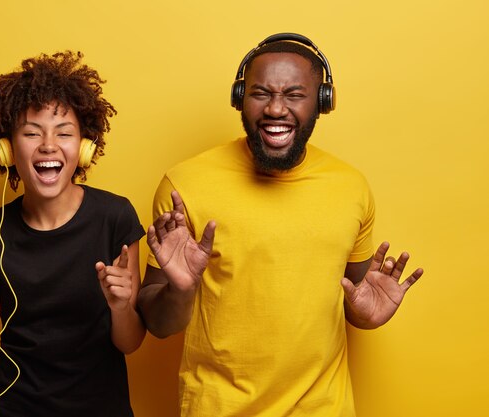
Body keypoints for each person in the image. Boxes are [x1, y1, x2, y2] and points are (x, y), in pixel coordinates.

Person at [137, 33, 424, 417]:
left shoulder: (351, 188)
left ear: (322, 102)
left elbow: (355, 297)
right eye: (260, 93)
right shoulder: (185, 185)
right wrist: (181, 289)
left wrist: (366, 315)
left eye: (294, 94)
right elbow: (157, 324)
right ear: (240, 98)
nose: (276, 109)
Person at [0, 51, 146, 417]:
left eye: (64, 133)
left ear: (85, 148)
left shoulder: (115, 217)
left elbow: (129, 343)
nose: (49, 145)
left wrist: (120, 306)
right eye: (31, 133)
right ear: (7, 149)